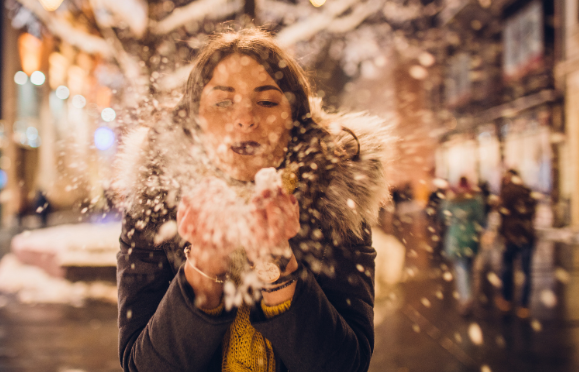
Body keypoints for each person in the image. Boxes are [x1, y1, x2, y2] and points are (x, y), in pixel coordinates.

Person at [114, 28, 390, 372]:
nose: (245, 118)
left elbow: (346, 364)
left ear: (294, 120)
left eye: (267, 101)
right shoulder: (157, 205)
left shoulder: (335, 200)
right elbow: (142, 366)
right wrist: (203, 266)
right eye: (223, 101)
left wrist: (276, 263)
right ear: (196, 121)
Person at [440, 176, 485, 315]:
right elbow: (481, 218)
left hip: (456, 237)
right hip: (471, 236)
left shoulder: (451, 200)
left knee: (461, 268)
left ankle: (466, 298)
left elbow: (443, 216)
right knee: (469, 266)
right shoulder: (475, 199)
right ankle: (469, 294)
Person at [495, 169, 537, 318]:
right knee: (526, 271)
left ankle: (506, 299)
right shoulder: (527, 192)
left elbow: (502, 214)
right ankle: (524, 305)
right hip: (527, 236)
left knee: (507, 268)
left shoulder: (506, 193)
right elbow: (531, 213)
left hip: (510, 237)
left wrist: (500, 233)